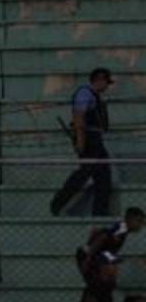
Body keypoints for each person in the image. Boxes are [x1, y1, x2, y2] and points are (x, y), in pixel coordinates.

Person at [51, 67, 114, 216]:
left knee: (103, 177)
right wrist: (80, 142)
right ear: (99, 80)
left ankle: (99, 213)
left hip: (95, 140)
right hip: (89, 140)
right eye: (106, 82)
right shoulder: (85, 93)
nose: (107, 86)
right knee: (84, 174)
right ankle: (59, 201)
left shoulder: (94, 96)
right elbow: (78, 117)